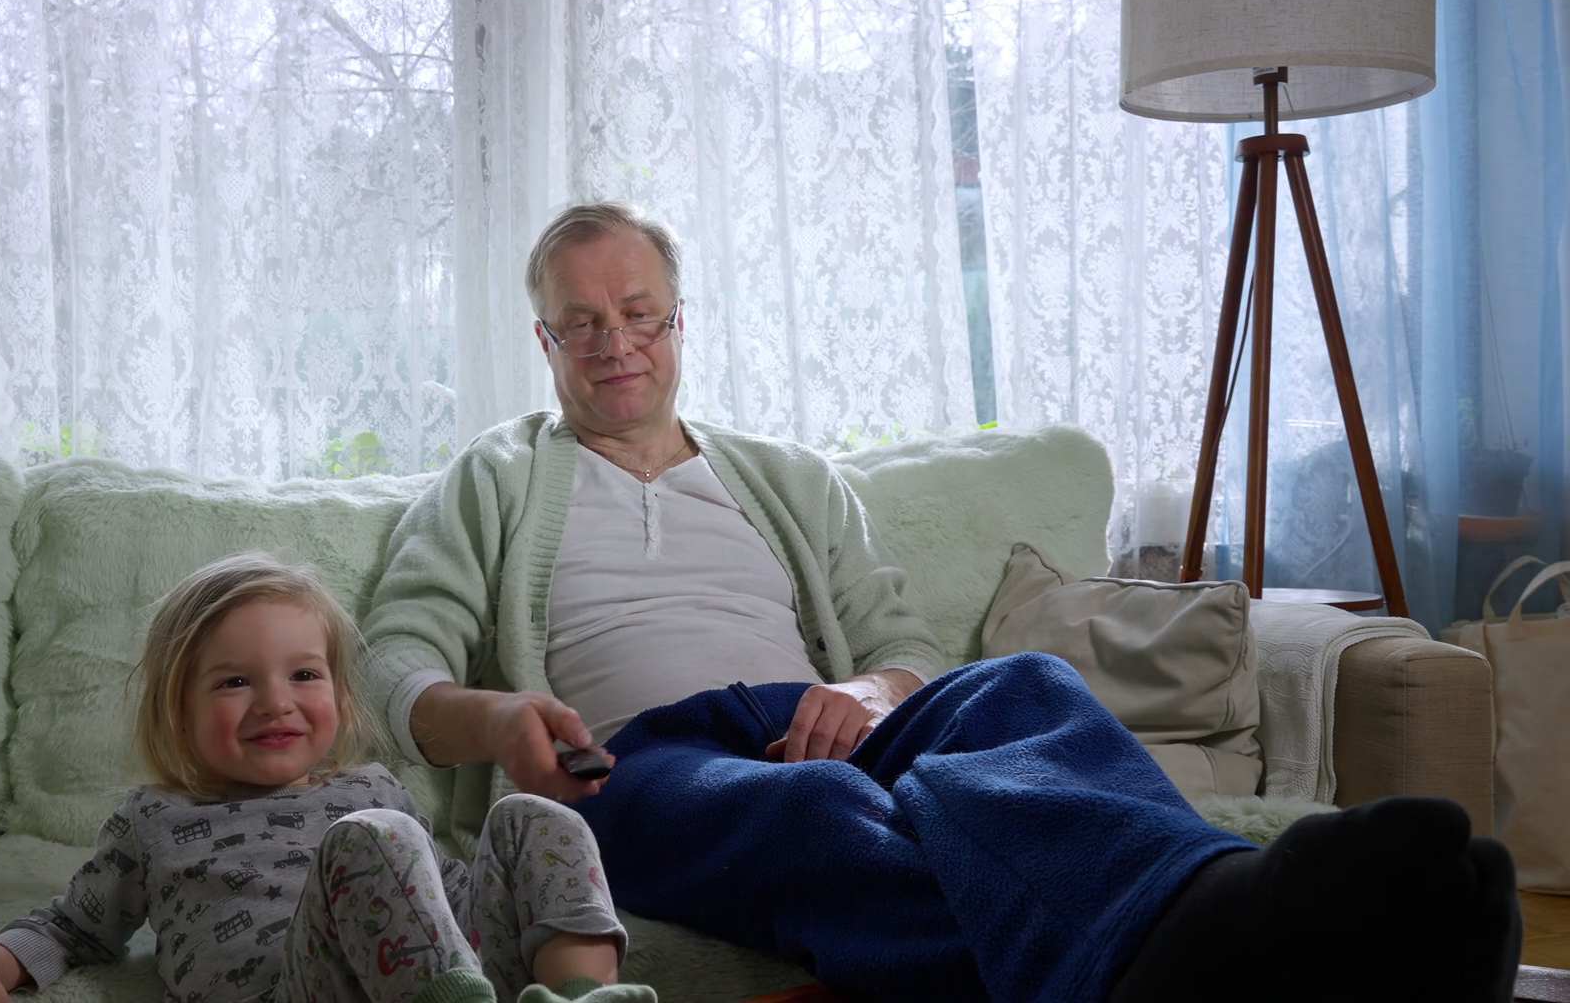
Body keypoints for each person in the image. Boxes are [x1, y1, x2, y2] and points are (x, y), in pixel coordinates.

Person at [361, 202, 1524, 1003]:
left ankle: (1217, 898)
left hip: (807, 720)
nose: (615, 342)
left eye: (639, 311)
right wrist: (498, 723)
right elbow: (394, 656)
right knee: (818, 812)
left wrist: (871, 693)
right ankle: (1192, 957)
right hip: (636, 764)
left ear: (680, 320)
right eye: (581, 322)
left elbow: (901, 642)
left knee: (1024, 688)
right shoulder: (496, 476)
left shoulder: (788, 478)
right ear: (545, 340)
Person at [0, 553, 656, 1003]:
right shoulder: (153, 820)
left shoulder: (376, 789)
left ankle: (581, 995)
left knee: (534, 818)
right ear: (178, 712)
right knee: (373, 839)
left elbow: (446, 900)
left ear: (339, 694)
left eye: (304, 675)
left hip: (451, 979)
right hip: (298, 989)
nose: (276, 703)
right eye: (234, 682)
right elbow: (73, 926)